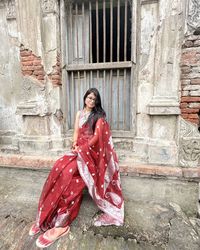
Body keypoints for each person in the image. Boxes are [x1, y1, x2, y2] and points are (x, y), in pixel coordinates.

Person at [29, 88, 124, 248]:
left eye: (94, 99)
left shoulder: (99, 118)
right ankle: (46, 215)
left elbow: (95, 139)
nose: (91, 101)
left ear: (97, 102)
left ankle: (62, 221)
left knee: (70, 176)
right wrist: (74, 145)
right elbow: (76, 132)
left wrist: (82, 149)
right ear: (85, 98)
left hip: (90, 153)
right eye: (89, 97)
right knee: (59, 167)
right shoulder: (79, 113)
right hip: (78, 150)